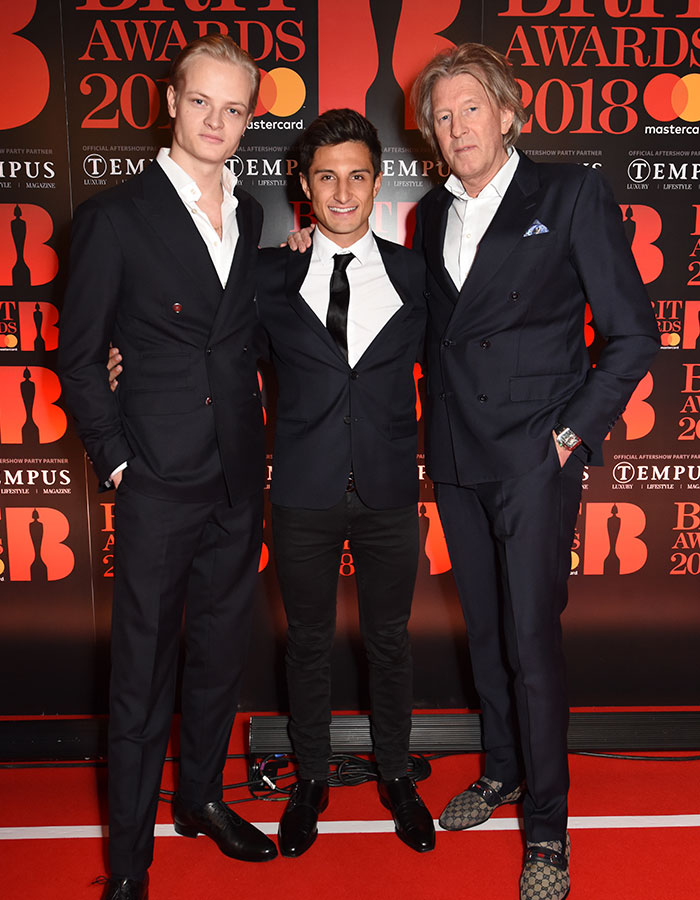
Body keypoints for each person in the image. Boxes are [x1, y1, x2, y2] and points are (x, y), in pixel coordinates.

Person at [409, 43, 659, 900]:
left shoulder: (570, 192)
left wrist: (570, 435)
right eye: (442, 116)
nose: (456, 127)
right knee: (484, 632)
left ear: (509, 114)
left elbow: (633, 334)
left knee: (531, 643)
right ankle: (502, 770)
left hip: (532, 456)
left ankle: (548, 829)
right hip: (455, 454)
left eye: (470, 108)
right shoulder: (429, 217)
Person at [58, 35, 276, 900]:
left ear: (248, 120)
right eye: (202, 102)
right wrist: (118, 463)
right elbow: (80, 357)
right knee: (142, 676)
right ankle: (129, 864)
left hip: (238, 475)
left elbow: (240, 336)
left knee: (220, 655)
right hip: (156, 477)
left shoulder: (252, 212)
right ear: (172, 102)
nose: (216, 121)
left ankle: (201, 800)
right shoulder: (115, 217)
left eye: (234, 108)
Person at [257, 109, 434, 857]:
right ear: (303, 183)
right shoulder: (268, 275)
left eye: (357, 176)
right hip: (304, 489)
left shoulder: (415, 273)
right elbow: (208, 353)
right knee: (307, 642)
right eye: (326, 177)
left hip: (390, 488)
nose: (341, 192)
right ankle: (309, 778)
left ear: (377, 181)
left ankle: (396, 772)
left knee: (390, 640)